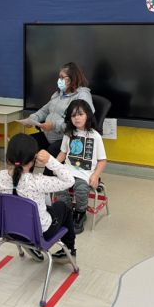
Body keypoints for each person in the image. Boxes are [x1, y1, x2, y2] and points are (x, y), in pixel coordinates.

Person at [0, 133, 77, 263]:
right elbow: (70, 180)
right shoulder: (37, 181)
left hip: (11, 230)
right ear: (33, 159)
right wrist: (50, 160)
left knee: (43, 208)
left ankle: (31, 247)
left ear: (8, 156)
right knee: (62, 207)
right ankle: (70, 251)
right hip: (40, 234)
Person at [27, 62, 94, 175]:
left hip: (67, 137)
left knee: (53, 150)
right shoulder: (58, 94)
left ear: (73, 78)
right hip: (49, 135)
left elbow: (82, 121)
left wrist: (54, 125)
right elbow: (44, 110)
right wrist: (33, 118)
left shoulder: (82, 95)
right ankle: (24, 181)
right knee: (27, 143)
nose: (59, 80)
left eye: (63, 77)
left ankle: (47, 188)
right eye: (59, 77)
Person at [56, 99, 107, 234]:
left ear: (87, 116)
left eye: (80, 114)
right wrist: (54, 165)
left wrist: (96, 176)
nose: (76, 118)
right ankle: (66, 211)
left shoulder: (95, 136)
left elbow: (102, 161)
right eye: (73, 115)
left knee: (81, 188)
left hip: (86, 173)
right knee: (59, 186)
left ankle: (80, 213)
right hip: (68, 170)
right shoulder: (69, 134)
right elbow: (63, 153)